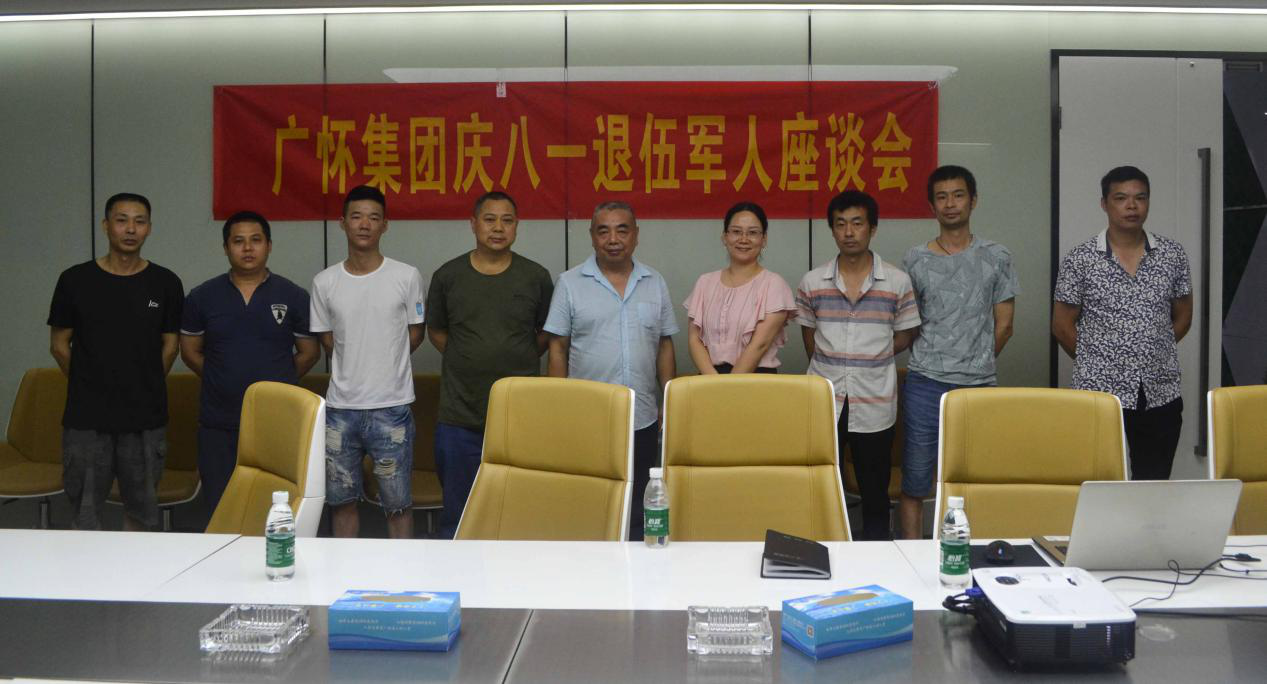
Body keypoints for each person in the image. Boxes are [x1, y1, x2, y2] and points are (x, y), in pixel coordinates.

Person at [48, 192, 184, 531]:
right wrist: (87, 381)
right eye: (122, 220)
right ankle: (85, 569)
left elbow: (171, 345)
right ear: (106, 225)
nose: (130, 229)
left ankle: (135, 568)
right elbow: (59, 345)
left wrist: (145, 382)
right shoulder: (75, 280)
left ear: (149, 228)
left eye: (139, 221)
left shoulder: (165, 283)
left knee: (141, 513)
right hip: (87, 417)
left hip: (144, 417)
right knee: (84, 514)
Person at [544, 201, 678, 541]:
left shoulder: (655, 282)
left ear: (636, 235)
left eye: (622, 230)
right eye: (603, 231)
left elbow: (664, 344)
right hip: (587, 418)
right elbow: (557, 347)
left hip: (642, 417)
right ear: (592, 236)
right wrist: (558, 404)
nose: (613, 239)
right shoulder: (570, 283)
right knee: (589, 502)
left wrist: (668, 399)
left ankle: (638, 566)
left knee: (639, 506)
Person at [899, 166, 1019, 539]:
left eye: (958, 195)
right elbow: (908, 324)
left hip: (978, 385)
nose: (950, 203)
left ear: (973, 200)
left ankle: (972, 554)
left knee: (975, 477)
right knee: (916, 479)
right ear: (931, 206)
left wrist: (976, 358)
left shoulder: (997, 256)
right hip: (924, 382)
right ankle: (912, 557)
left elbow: (1005, 324)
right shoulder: (915, 259)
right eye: (942, 197)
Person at [426, 191, 553, 539]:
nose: (498, 228)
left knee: (518, 513)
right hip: (460, 416)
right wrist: (467, 355)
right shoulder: (448, 276)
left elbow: (547, 333)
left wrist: (518, 354)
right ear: (473, 224)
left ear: (517, 226)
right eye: (490, 219)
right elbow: (436, 330)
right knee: (459, 515)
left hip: (519, 417)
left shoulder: (535, 276)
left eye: (507, 221)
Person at [1052, 165, 1192, 480]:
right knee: (1099, 482)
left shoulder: (1172, 255)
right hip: (1099, 392)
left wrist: (1154, 350)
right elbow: (1061, 325)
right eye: (1121, 198)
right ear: (1104, 204)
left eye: (1140, 198)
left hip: (1160, 391)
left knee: (1153, 484)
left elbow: (1184, 314)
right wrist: (1098, 360)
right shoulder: (1080, 259)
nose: (1132, 206)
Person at [796, 191, 920, 541]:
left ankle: (876, 559)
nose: (849, 232)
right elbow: (810, 338)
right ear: (832, 230)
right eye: (840, 224)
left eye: (857, 223)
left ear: (872, 228)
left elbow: (905, 335)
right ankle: (822, 552)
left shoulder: (897, 282)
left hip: (874, 401)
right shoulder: (812, 282)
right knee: (820, 486)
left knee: (875, 492)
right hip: (826, 399)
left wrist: (871, 356)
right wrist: (837, 362)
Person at [179, 210, 320, 515]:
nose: (247, 248)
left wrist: (277, 384)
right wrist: (219, 376)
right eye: (238, 241)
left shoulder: (293, 296)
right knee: (221, 506)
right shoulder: (202, 297)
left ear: (269, 245)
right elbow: (189, 351)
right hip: (219, 422)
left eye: (255, 240)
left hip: (276, 420)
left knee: (276, 508)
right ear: (225, 247)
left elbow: (309, 353)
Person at [310, 185, 426, 539]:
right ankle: (343, 570)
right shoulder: (325, 282)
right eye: (357, 217)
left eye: (374, 218)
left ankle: (403, 572)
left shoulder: (406, 276)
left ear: (385, 225)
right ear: (342, 223)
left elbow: (415, 333)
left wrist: (384, 359)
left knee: (398, 505)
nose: (364, 225)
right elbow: (328, 340)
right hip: (340, 410)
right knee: (341, 502)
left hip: (391, 408)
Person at [683, 202, 797, 374]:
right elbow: (694, 339)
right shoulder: (705, 282)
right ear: (724, 237)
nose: (744, 239)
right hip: (709, 379)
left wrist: (730, 385)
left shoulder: (774, 284)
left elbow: (760, 345)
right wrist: (712, 382)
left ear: (764, 239)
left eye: (753, 233)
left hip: (756, 379)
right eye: (736, 232)